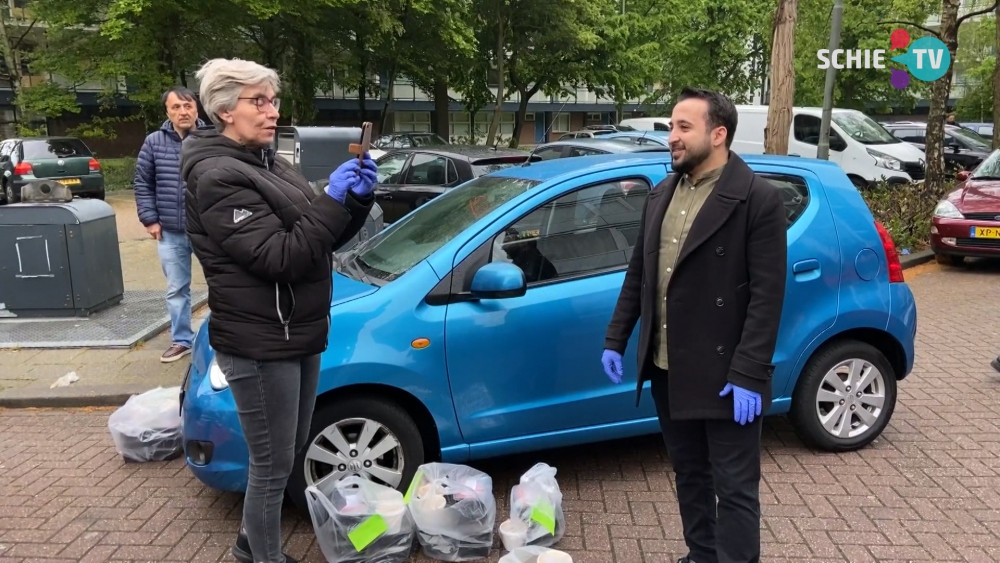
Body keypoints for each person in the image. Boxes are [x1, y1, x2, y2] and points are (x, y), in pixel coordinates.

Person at [181, 58, 376, 563]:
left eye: (274, 101)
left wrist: (353, 200)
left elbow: (318, 241)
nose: (272, 112)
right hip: (261, 342)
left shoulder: (269, 163)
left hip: (298, 332)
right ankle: (261, 558)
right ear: (225, 110)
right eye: (259, 101)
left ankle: (251, 542)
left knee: (287, 454)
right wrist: (329, 199)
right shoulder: (218, 176)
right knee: (270, 465)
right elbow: (282, 257)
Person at [600, 87, 787, 563]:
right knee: (689, 474)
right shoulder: (662, 192)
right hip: (668, 367)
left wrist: (748, 372)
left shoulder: (758, 200)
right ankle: (702, 555)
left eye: (684, 127)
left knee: (735, 487)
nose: (672, 137)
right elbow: (640, 275)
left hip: (727, 378)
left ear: (718, 134)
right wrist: (617, 338)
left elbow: (767, 298)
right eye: (670, 127)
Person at [134, 86, 207, 363]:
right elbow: (143, 183)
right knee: (177, 289)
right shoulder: (154, 142)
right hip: (170, 232)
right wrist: (150, 219)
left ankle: (222, 337)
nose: (182, 112)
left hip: (208, 230)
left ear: (196, 109)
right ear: (168, 111)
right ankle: (182, 340)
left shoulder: (212, 138)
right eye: (176, 107)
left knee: (222, 284)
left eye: (187, 106)